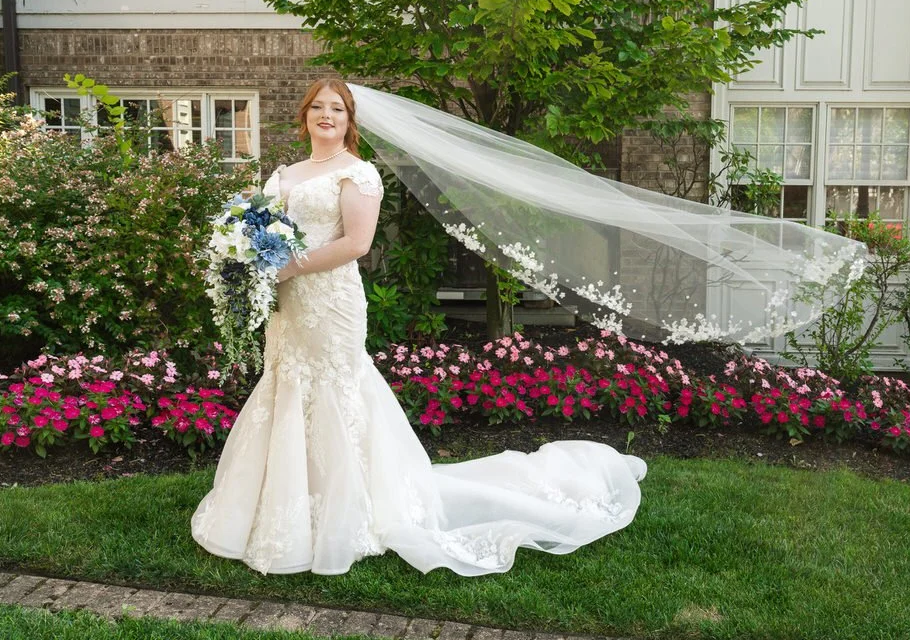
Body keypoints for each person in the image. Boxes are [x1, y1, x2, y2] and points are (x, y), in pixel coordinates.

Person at [190, 78, 647, 576]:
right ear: (304, 116)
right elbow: (260, 232)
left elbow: (358, 244)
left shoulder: (358, 173)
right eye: (318, 107)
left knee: (334, 391)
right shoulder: (283, 174)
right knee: (286, 384)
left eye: (337, 109)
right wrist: (243, 259)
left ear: (349, 120)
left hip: (329, 302)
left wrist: (292, 266)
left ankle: (350, 510)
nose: (326, 115)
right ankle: (279, 505)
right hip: (287, 304)